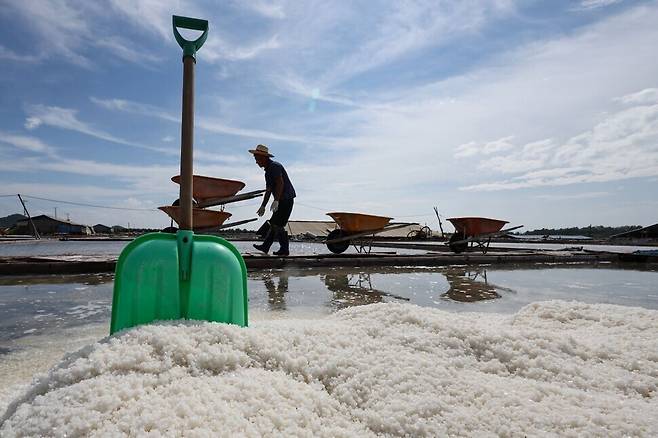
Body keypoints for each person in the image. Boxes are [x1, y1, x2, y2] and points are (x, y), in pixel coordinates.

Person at [249, 144, 296, 256]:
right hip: (281, 199)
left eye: (257, 159)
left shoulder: (275, 166)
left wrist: (276, 201)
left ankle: (284, 250)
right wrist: (263, 206)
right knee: (274, 223)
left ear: (264, 157)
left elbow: (280, 183)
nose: (256, 162)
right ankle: (266, 247)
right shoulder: (267, 172)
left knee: (278, 224)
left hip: (286, 199)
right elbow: (269, 190)